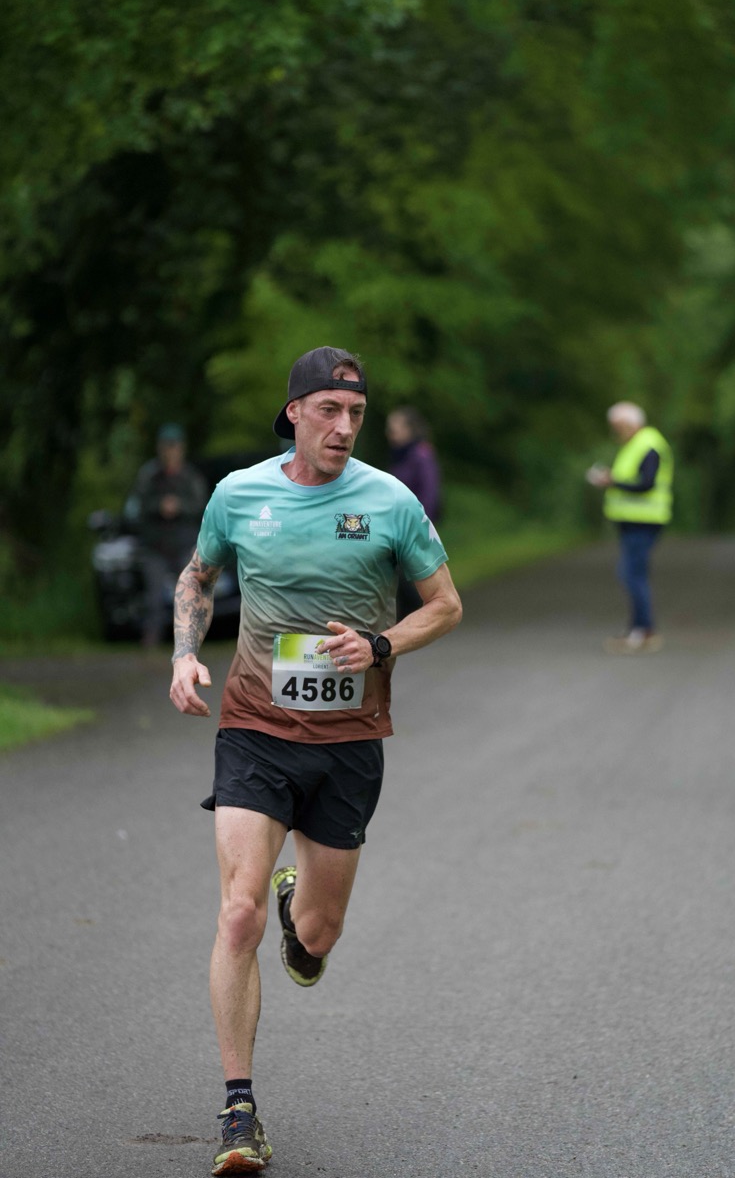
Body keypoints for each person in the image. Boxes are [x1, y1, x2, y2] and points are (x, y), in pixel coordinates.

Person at [169, 346, 462, 1176]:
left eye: (356, 414)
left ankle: (302, 920)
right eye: (329, 411)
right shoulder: (238, 494)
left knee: (316, 936)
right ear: (294, 412)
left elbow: (445, 606)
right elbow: (197, 577)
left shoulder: (390, 500)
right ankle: (238, 1111)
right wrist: (184, 655)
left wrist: (380, 644)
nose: (343, 427)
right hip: (254, 728)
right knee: (237, 915)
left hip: (348, 743)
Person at [586, 401, 674, 655]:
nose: (615, 432)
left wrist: (612, 481)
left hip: (644, 521)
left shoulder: (649, 445)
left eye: (618, 426)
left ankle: (643, 631)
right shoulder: (636, 444)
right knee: (633, 573)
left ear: (631, 423)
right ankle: (638, 628)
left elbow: (647, 483)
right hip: (633, 521)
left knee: (632, 574)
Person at [126, 423, 209, 648]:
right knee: (152, 596)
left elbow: (202, 507)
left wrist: (178, 506)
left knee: (189, 594)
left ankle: (190, 638)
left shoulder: (191, 477)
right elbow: (137, 508)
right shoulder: (149, 475)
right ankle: (152, 637)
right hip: (155, 546)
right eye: (167, 446)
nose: (170, 451)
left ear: (181, 448)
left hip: (184, 544)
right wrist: (159, 506)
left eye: (174, 446)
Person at [385, 406, 443, 618]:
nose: (390, 433)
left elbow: (430, 493)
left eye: (395, 428)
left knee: (410, 588)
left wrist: (420, 528)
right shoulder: (402, 456)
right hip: (397, 531)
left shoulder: (421, 455)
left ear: (410, 429)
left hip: (413, 532)